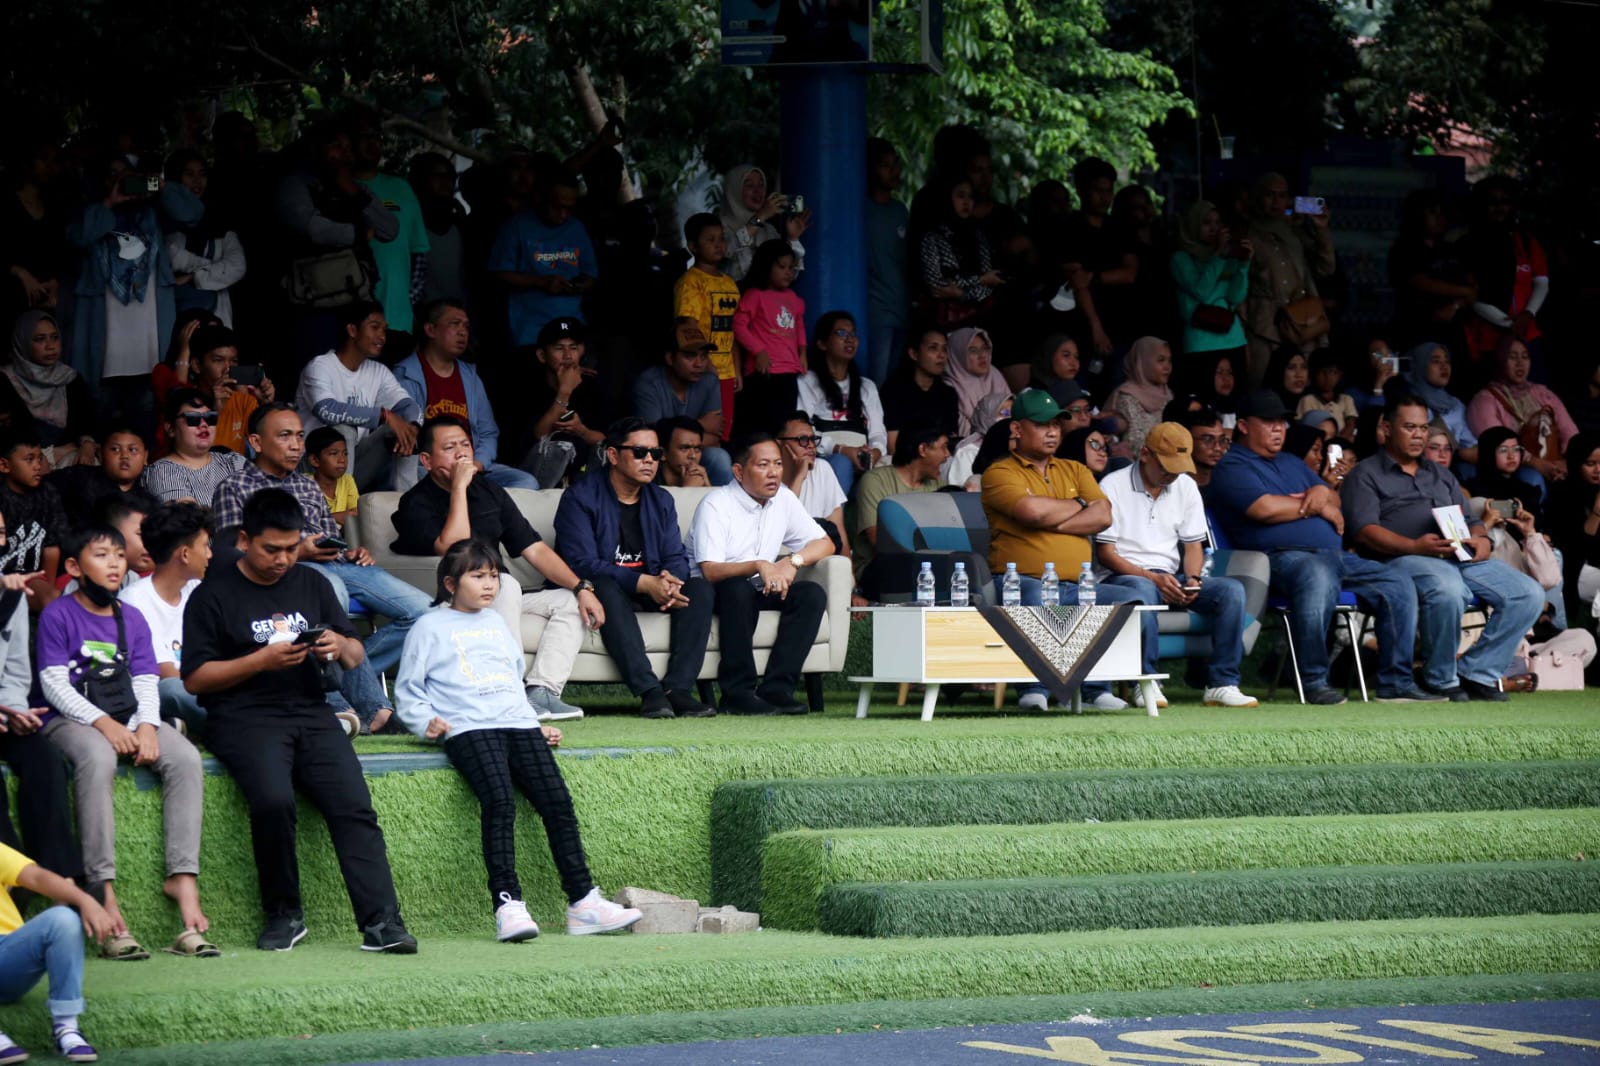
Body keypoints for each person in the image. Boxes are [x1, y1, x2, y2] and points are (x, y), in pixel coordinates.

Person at [183, 489, 416, 953]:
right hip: (243, 716)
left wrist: (336, 643)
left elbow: (353, 654)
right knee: (272, 801)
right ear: (245, 540)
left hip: (311, 710)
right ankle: (284, 914)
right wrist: (260, 661)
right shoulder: (213, 594)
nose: (283, 560)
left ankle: (382, 922)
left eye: (292, 549)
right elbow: (195, 680)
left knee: (353, 804)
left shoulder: (312, 584)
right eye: (272, 549)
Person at [395, 540, 643, 940]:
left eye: (493, 575)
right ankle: (508, 905)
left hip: (517, 723)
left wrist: (534, 722)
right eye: (477, 576)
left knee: (557, 803)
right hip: (468, 727)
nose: (489, 585)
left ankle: (583, 902)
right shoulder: (429, 627)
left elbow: (512, 682)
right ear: (450, 583)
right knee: (500, 801)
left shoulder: (495, 623)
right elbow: (408, 690)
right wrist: (424, 721)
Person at [37, 524, 208, 959]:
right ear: (74, 567)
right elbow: (55, 685)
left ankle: (183, 879)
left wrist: (147, 726)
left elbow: (147, 679)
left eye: (118, 555)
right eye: (101, 556)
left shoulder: (130, 617)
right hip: (68, 719)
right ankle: (102, 888)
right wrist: (104, 725)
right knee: (97, 757)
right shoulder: (59, 613)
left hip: (129, 715)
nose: (114, 564)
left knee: (185, 758)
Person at [1207, 389, 1424, 705]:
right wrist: (1313, 504)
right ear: (1243, 426)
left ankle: (1396, 682)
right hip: (1276, 560)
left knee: (1398, 582)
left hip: (1333, 557)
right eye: (1268, 422)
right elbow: (1263, 509)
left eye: (1281, 422)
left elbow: (1334, 497)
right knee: (1317, 573)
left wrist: (1319, 498)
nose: (1278, 428)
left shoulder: (1292, 462)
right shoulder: (1233, 465)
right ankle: (1313, 680)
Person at [393, 416, 600, 721]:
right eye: (450, 448)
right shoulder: (415, 502)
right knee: (504, 583)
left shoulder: (490, 491)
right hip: (457, 601)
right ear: (426, 460)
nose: (462, 454)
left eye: (465, 445)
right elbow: (456, 549)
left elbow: (535, 548)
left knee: (568, 601)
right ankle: (509, 691)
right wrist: (459, 489)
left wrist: (581, 587)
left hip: (500, 596)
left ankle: (542, 692)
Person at [1342, 395, 1544, 702]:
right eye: (1410, 427)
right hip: (1400, 559)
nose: (1419, 435)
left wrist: (1481, 538)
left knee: (1528, 593)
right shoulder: (1365, 474)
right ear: (1386, 428)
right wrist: (1414, 545)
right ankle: (1440, 677)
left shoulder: (1439, 474)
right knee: (1449, 589)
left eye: (1423, 428)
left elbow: (1468, 517)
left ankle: (1476, 672)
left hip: (1458, 555)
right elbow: (1364, 532)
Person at [213, 403, 430, 680]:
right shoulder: (234, 487)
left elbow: (331, 534)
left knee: (423, 612)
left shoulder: (307, 485)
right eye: (285, 436)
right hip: (289, 571)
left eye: (300, 436)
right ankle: (336, 689)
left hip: (339, 564)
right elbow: (230, 555)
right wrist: (296, 553)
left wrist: (351, 552)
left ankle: (341, 679)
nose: (296, 446)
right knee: (331, 588)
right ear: (256, 442)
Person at [980, 389, 1146, 711]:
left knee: (1130, 596)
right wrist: (1080, 504)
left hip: (1077, 584)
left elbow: (1103, 515)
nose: (1053, 431)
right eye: (1042, 424)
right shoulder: (999, 472)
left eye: (1057, 423)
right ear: (1017, 429)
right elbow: (1031, 512)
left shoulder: (1075, 469)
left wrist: (1058, 519)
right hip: (1022, 582)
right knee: (1036, 594)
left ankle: (1097, 689)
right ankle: (1035, 689)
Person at [552, 419, 717, 719]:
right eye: (640, 452)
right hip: (611, 590)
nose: (650, 460)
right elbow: (581, 563)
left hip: (652, 588)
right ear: (614, 456)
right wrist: (644, 583)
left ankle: (677, 690)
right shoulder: (580, 497)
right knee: (602, 586)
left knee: (699, 588)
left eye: (656, 453)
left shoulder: (661, 499)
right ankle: (649, 691)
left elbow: (675, 555)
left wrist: (670, 581)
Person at [1097, 423, 1259, 708]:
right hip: (1122, 576)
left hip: (1171, 577)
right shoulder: (1112, 485)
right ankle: (1146, 683)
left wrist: (1193, 580)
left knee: (1231, 590)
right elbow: (1106, 554)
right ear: (1145, 454)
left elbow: (1193, 546)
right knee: (1143, 590)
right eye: (1165, 465)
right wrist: (1151, 578)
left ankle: (1222, 683)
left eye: (1178, 466)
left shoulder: (1184, 484)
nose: (1172, 474)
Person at [686, 434, 834, 715]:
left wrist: (793, 560)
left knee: (811, 594)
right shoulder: (717, 504)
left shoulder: (784, 499)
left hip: (759, 586)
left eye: (778, 464)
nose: (774, 472)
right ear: (739, 472)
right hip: (715, 591)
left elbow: (826, 543)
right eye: (763, 465)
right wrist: (759, 565)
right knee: (737, 589)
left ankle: (777, 690)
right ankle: (737, 693)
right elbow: (710, 570)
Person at [66, 154, 202, 427]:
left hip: (148, 337)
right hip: (106, 341)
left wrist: (160, 187)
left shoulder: (154, 213)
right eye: (113, 174)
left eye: (128, 176)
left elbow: (194, 213)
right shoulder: (91, 211)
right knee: (101, 421)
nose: (121, 181)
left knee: (147, 419)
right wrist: (109, 203)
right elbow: (79, 237)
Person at [275, 118, 400, 361]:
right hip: (313, 303)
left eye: (348, 148)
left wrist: (350, 189)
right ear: (317, 147)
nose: (344, 154)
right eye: (336, 146)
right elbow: (312, 228)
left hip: (355, 302)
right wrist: (358, 234)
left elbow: (389, 229)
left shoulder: (354, 187)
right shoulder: (295, 184)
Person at [394, 299, 541, 491]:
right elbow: (405, 435)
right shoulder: (406, 374)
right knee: (423, 483)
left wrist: (476, 465)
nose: (463, 332)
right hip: (428, 469)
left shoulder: (470, 377)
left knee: (526, 483)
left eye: (466, 326)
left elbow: (488, 432)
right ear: (430, 330)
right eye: (454, 324)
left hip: (472, 466)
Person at [0, 842, 115, 1065]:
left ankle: (66, 1026)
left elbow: (36, 878)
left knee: (62, 919)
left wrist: (85, 900)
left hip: (7, 956)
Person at [295, 302, 423, 492]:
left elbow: (408, 406)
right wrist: (384, 415)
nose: (382, 336)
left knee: (405, 432)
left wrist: (411, 425)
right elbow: (326, 409)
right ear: (353, 330)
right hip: (313, 467)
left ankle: (406, 504)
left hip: (354, 467)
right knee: (344, 431)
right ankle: (341, 510)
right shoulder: (321, 366)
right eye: (374, 328)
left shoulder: (378, 371)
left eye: (384, 330)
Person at [120, 501, 211, 738]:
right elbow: (165, 671)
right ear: (184, 554)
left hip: (205, 687)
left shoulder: (197, 589)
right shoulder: (134, 600)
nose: (210, 554)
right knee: (172, 690)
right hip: (165, 689)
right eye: (205, 546)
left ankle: (189, 724)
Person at [1243, 173, 1336, 384]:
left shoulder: (1294, 234)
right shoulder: (1249, 234)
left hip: (1301, 324)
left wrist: (1321, 229)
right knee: (1263, 384)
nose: (1276, 202)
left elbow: (1326, 268)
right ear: (1258, 198)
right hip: (1264, 327)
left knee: (1301, 386)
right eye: (1269, 195)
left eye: (1282, 196)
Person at [489, 169, 597, 350]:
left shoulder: (577, 228)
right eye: (558, 207)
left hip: (572, 327)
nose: (564, 214)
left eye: (569, 208)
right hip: (530, 333)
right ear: (541, 198)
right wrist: (541, 282)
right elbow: (498, 274)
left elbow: (591, 274)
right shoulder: (516, 226)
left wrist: (580, 285)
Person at [351, 115, 429, 351]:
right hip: (351, 321)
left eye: (377, 137)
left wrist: (406, 299)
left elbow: (420, 253)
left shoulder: (401, 188)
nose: (372, 143)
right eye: (364, 137)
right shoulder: (335, 187)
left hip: (396, 321)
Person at [1459, 177, 1549, 368]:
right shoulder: (1469, 244)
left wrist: (1527, 314)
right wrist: (1509, 325)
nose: (1499, 208)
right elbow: (1471, 295)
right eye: (1492, 202)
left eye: (1505, 201)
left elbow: (1541, 282)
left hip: (1528, 336)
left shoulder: (1525, 240)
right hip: (1489, 339)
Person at [796, 310, 886, 496]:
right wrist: (840, 449)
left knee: (890, 467)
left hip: (863, 455)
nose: (850, 339)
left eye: (853, 334)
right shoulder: (808, 381)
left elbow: (877, 431)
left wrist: (876, 451)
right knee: (841, 463)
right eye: (841, 334)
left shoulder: (866, 386)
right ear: (822, 343)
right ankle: (834, 523)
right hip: (826, 454)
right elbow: (801, 429)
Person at [1466, 337, 1577, 487]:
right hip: (1513, 467)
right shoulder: (1485, 400)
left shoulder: (1542, 393)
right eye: (1512, 357)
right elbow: (1498, 444)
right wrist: (1536, 463)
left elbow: (1570, 433)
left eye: (1525, 357)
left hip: (1554, 460)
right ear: (1500, 360)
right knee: (1532, 480)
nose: (1520, 363)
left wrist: (1566, 462)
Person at [1062, 157, 1139, 371]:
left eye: (1108, 191)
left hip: (1121, 322)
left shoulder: (1120, 227)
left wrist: (1094, 277)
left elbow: (1130, 272)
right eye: (1098, 190)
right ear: (1080, 190)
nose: (1104, 197)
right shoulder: (1071, 228)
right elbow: (1078, 282)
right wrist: (1096, 326)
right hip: (1082, 326)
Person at [632, 320, 732, 485]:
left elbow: (714, 439)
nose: (699, 364)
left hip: (694, 454)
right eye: (690, 356)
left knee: (718, 457)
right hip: (658, 458)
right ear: (670, 358)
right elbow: (652, 441)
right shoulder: (649, 383)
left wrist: (679, 442)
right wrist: (700, 425)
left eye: (703, 356)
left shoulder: (710, 381)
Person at [854, 424, 950, 595]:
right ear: (923, 449)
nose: (947, 455)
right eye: (943, 447)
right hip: (881, 567)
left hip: (927, 566)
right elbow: (880, 541)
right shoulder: (876, 481)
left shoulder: (939, 486)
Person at [153, 323, 275, 456]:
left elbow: (268, 449)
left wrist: (266, 406)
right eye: (218, 360)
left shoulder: (243, 401)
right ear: (197, 366)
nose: (227, 369)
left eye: (233, 361)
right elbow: (173, 456)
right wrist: (215, 412)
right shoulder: (183, 405)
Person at [674, 213, 743, 434]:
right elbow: (689, 329)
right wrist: (707, 366)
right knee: (703, 432)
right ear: (693, 246)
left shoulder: (730, 283)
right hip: (701, 371)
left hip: (727, 372)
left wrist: (737, 370)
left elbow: (733, 331)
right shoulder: (690, 282)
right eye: (710, 239)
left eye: (721, 238)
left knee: (724, 432)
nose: (718, 244)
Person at [162, 149, 247, 328]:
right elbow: (171, 254)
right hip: (171, 314)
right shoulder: (162, 221)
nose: (197, 181)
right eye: (189, 174)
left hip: (215, 315)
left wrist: (193, 276)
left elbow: (237, 266)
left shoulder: (220, 224)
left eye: (202, 174)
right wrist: (212, 270)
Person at [733, 240, 808, 436]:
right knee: (761, 429)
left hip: (788, 372)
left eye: (791, 268)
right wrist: (758, 351)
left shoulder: (793, 297)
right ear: (766, 266)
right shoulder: (755, 295)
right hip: (763, 373)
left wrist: (802, 352)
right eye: (781, 267)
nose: (788, 272)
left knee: (783, 429)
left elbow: (798, 326)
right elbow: (738, 325)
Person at [3, 311, 95, 468]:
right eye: (39, 339)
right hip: (23, 462)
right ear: (23, 342)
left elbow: (85, 423)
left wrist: (88, 444)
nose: (50, 346)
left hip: (66, 457)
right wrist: (47, 455)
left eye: (55, 337)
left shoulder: (70, 378)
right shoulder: (5, 380)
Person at [1387, 189, 1474, 354]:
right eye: (1432, 212)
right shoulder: (1404, 249)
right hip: (1415, 328)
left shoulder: (1451, 249)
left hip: (1451, 330)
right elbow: (1419, 282)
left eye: (1442, 212)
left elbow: (1472, 289)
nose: (1440, 218)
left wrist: (1455, 305)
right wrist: (1464, 290)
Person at [523, 317, 606, 486]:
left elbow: (606, 439)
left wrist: (581, 431)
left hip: (583, 473)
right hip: (536, 475)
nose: (568, 356)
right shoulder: (527, 384)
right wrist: (564, 393)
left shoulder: (593, 385)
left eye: (573, 348)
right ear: (542, 355)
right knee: (561, 443)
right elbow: (538, 435)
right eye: (559, 348)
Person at [917, 174, 1003, 334]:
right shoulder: (933, 237)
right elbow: (936, 285)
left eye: (971, 197)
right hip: (943, 326)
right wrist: (978, 279)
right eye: (960, 196)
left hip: (978, 324)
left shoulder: (978, 236)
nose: (967, 202)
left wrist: (962, 294)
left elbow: (990, 284)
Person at [140, 388, 249, 505]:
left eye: (210, 417)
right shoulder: (163, 472)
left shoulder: (233, 461)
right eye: (192, 418)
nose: (204, 424)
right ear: (170, 428)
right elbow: (187, 520)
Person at [1171, 200, 1251, 358]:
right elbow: (1200, 291)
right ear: (1193, 224)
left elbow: (1235, 297)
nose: (1214, 228)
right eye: (1206, 223)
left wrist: (1243, 266)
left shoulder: (1227, 255)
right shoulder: (1181, 258)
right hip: (1201, 344)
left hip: (1233, 339)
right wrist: (1219, 256)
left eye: (1218, 222)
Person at [0, 426, 68, 611]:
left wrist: (48, 584)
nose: (37, 465)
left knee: (56, 597)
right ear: (4, 465)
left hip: (35, 577)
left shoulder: (47, 493)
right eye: (29, 460)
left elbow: (52, 547)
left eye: (39, 458)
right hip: (5, 577)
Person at [865, 139, 910, 385]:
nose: (893, 171)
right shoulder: (860, 209)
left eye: (895, 164)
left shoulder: (900, 210)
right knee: (875, 383)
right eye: (884, 165)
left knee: (892, 383)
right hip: (876, 310)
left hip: (900, 308)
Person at [718, 165, 809, 283]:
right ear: (734, 189)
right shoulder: (720, 226)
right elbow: (727, 251)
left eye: (761, 185)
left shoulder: (768, 230)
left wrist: (793, 239)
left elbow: (790, 274)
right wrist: (760, 217)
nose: (758, 191)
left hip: (764, 300)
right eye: (749, 185)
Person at [775, 413, 850, 558]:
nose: (810, 445)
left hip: (816, 562)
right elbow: (780, 527)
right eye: (802, 440)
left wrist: (849, 576)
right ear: (779, 444)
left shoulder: (822, 469)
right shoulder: (767, 477)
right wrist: (799, 477)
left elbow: (838, 533)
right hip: (778, 562)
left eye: (813, 439)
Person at [881, 325, 960, 451]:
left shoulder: (948, 394)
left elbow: (951, 439)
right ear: (914, 354)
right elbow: (892, 445)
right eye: (933, 348)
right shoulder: (894, 391)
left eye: (944, 349)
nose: (941, 355)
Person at [1405, 342, 1480, 470]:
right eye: (1436, 361)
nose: (1444, 367)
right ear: (1421, 366)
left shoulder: (1455, 404)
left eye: (1447, 361)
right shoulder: (1408, 404)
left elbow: (1469, 445)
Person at [407, 152, 467, 306]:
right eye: (436, 176)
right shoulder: (408, 226)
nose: (444, 182)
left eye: (449, 176)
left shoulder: (462, 227)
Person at [1549, 432, 1600, 608]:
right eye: (1590, 464)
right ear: (1576, 463)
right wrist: (1597, 513)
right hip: (1580, 571)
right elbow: (1577, 549)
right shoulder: (1562, 494)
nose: (1598, 470)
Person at [1102, 337, 1175, 457]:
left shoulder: (1168, 394)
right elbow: (1134, 443)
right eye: (1161, 360)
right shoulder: (1126, 396)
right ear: (1143, 362)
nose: (1167, 367)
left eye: (1169, 361)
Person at [944, 326, 1008, 438]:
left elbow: (1010, 412)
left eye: (985, 348)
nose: (982, 355)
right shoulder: (949, 387)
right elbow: (964, 434)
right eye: (973, 351)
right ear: (958, 354)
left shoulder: (994, 375)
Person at [945, 392, 1011, 489]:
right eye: (1005, 413)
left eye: (1014, 413)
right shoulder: (967, 452)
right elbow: (960, 494)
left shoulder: (1016, 448)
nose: (1010, 418)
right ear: (986, 416)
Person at [1296, 350, 1359, 439]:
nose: (1328, 377)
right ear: (1313, 373)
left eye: (1333, 372)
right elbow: (1305, 428)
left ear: (1340, 375)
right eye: (1323, 372)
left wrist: (1340, 441)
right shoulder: (1307, 400)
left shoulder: (1346, 399)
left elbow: (1351, 424)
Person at [306, 426, 359, 524]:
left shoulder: (347, 480)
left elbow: (355, 513)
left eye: (345, 453)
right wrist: (335, 517)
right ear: (315, 460)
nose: (342, 460)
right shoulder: (304, 484)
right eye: (334, 454)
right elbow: (306, 521)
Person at [656, 416, 714, 488]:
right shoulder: (648, 486)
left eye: (697, 448)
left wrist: (708, 487)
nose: (693, 456)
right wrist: (688, 490)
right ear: (663, 454)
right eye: (684, 448)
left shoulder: (701, 481)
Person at [1180, 406, 1229, 490]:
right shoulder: (1175, 484)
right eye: (1208, 440)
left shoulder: (1229, 480)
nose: (1218, 448)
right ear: (1187, 441)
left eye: (1222, 440)